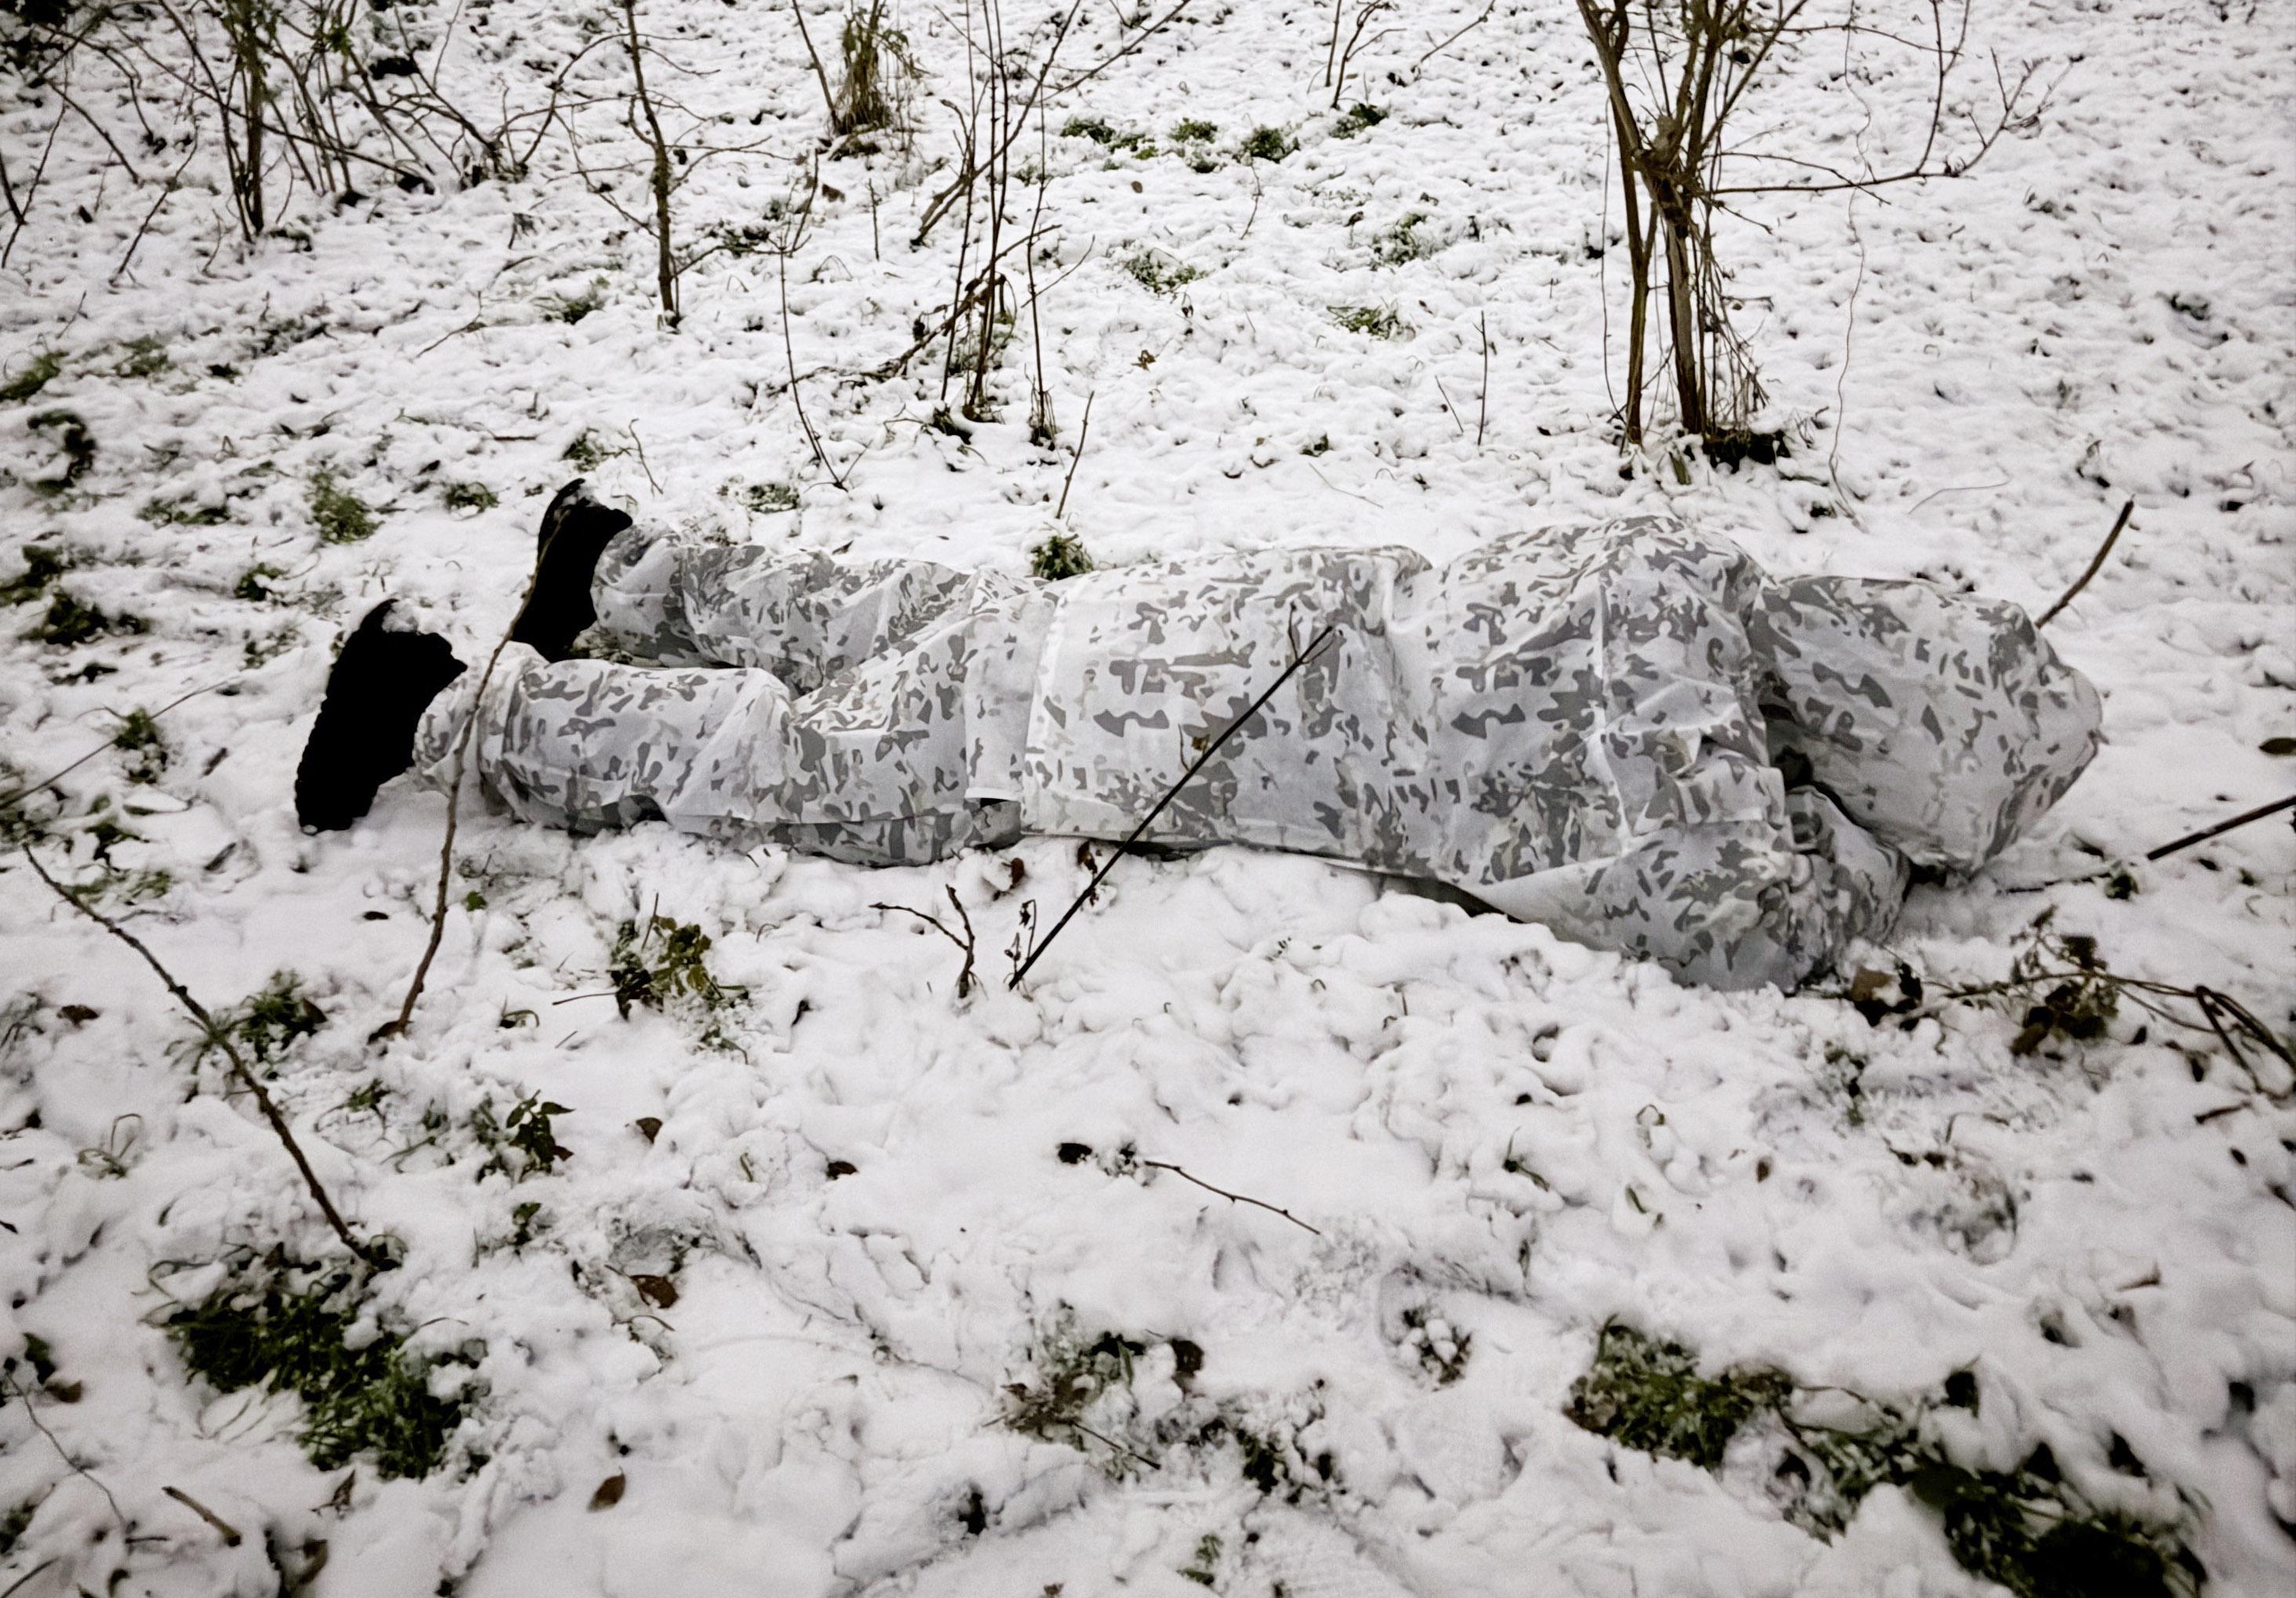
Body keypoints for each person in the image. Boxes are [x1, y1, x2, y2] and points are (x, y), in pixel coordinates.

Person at [293, 483, 2102, 989]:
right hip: (1145, 727)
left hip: (1198, 619)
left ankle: (624, 561)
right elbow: (1759, 926)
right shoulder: (1699, 802)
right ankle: (448, 706)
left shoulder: (1677, 569)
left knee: (915, 618)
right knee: (808, 764)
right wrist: (1874, 866)